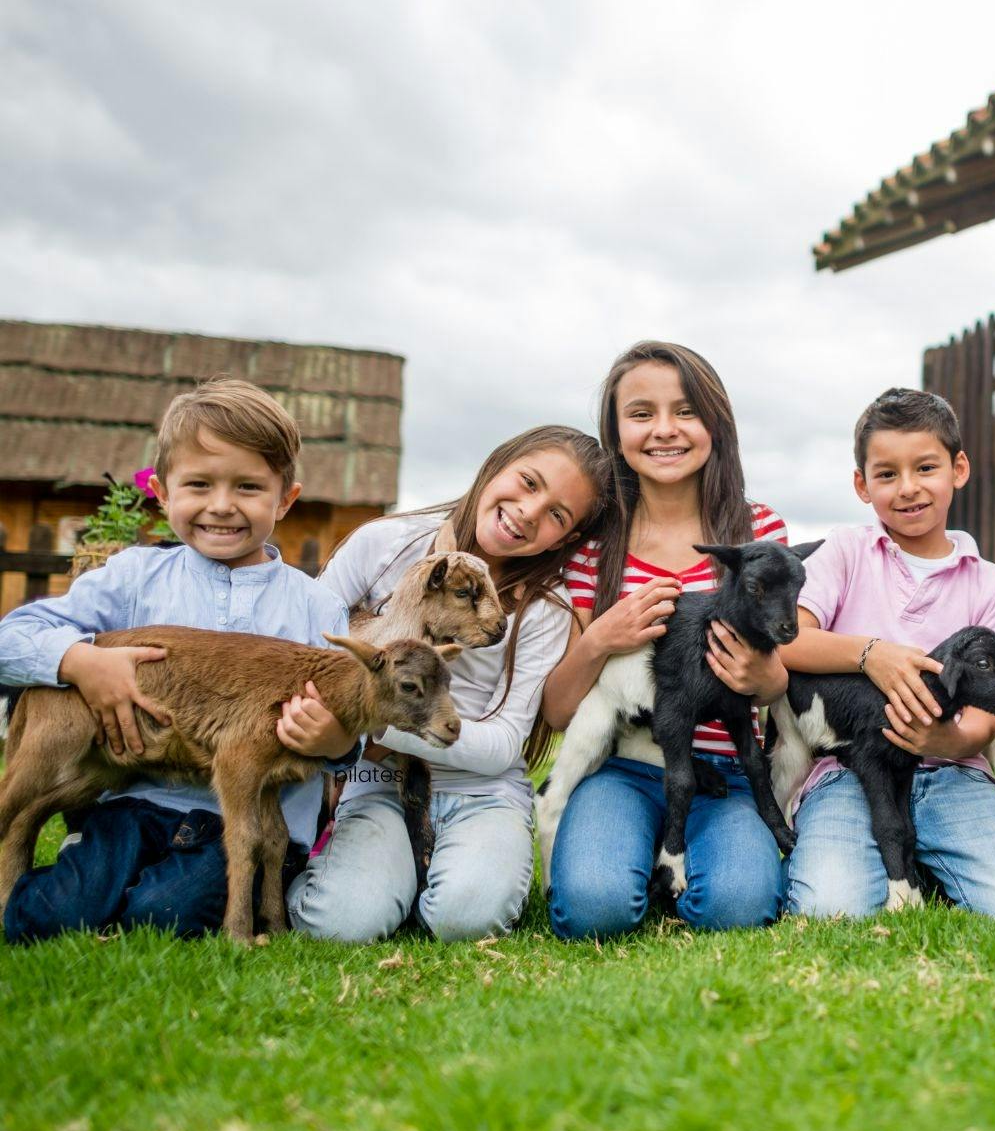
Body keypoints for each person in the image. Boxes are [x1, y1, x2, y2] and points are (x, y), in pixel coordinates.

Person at [0, 379, 358, 941]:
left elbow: (348, 719)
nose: (221, 505)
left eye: (247, 486)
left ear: (285, 499)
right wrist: (81, 662)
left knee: (166, 912)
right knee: (53, 916)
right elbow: (12, 639)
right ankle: (79, 866)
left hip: (241, 821)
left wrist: (334, 740)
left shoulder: (315, 606)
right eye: (198, 485)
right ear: (163, 493)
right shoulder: (133, 578)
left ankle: (166, 894)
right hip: (136, 798)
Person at [287, 427, 611, 943]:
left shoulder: (546, 610)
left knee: (467, 918)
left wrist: (364, 731)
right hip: (378, 785)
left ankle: (440, 871)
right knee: (338, 924)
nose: (528, 511)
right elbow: (303, 644)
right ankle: (378, 871)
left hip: (482, 791)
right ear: (496, 464)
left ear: (567, 539)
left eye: (556, 514)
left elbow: (506, 743)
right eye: (528, 482)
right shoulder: (387, 545)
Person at [541, 341, 790, 939]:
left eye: (685, 411)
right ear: (615, 430)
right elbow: (557, 711)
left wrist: (766, 680)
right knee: (594, 911)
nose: (664, 431)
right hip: (624, 767)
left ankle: (676, 859)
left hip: (723, 772)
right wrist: (602, 637)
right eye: (641, 413)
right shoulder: (592, 548)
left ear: (715, 423)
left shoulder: (758, 532)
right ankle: (628, 849)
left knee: (737, 908)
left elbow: (781, 667)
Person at [780, 387, 995, 922]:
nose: (907, 489)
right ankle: (890, 855)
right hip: (849, 769)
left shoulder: (990, 582)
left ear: (958, 469)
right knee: (829, 910)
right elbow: (790, 639)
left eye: (925, 468)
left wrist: (945, 739)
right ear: (862, 484)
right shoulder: (846, 550)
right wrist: (869, 654)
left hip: (952, 771)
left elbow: (986, 715)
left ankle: (925, 860)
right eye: (886, 475)